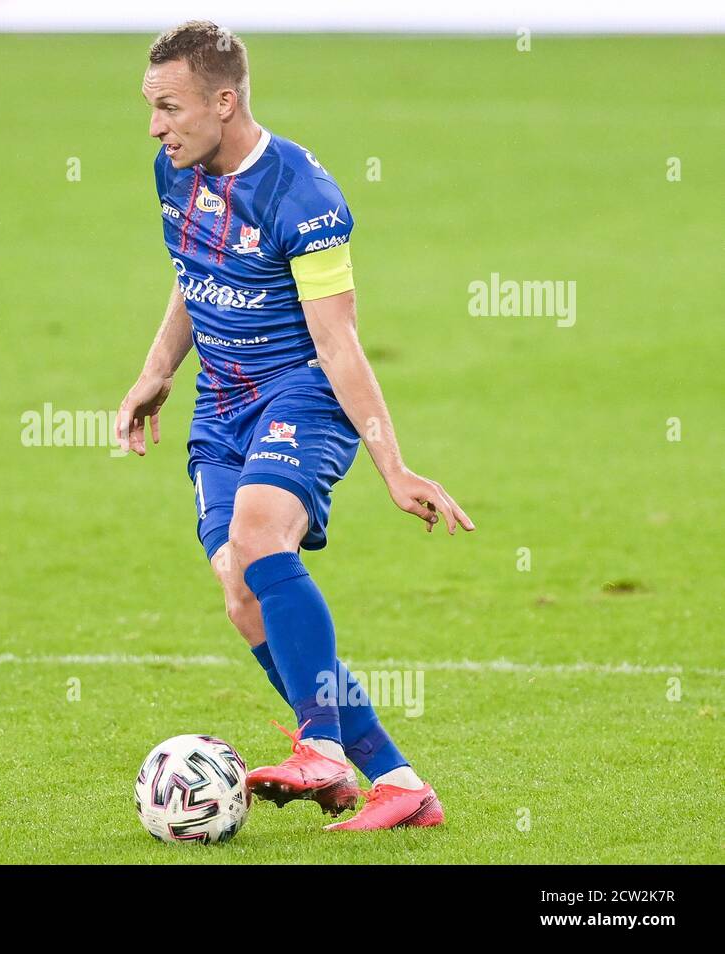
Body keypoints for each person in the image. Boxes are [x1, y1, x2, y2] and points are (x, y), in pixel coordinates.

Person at [116, 20, 475, 830]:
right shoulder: (175, 173)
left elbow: (339, 341)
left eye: (169, 108)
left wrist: (393, 466)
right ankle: (399, 781)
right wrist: (158, 369)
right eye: (150, 108)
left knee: (258, 535)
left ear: (224, 100)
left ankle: (320, 744)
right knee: (242, 594)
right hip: (221, 406)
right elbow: (194, 276)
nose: (155, 126)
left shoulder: (303, 196)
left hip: (303, 392)